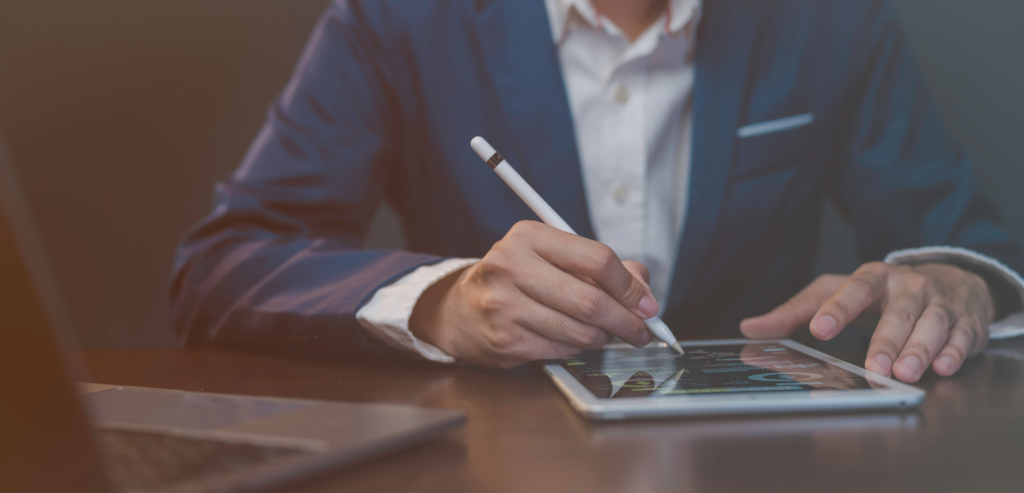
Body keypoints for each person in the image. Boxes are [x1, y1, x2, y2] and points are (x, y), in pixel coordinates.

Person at [171, 0, 1024, 383]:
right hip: (491, 483)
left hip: (766, 492)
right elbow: (223, 264)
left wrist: (957, 281)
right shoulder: (395, 17)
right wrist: (440, 304)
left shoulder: (831, 18)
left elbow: (969, 248)